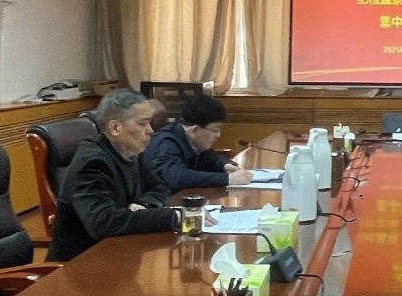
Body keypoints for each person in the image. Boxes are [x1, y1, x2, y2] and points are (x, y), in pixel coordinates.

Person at [47, 89, 179, 262]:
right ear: (115, 128)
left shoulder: (130, 151)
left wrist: (143, 204)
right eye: (142, 124)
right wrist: (174, 217)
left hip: (118, 252)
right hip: (80, 264)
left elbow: (160, 186)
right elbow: (102, 222)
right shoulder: (93, 163)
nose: (151, 131)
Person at [144, 95, 252, 192]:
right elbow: (176, 177)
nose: (218, 135)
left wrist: (224, 165)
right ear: (195, 129)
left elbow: (208, 156)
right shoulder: (166, 143)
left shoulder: (190, 138)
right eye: (215, 130)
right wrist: (227, 179)